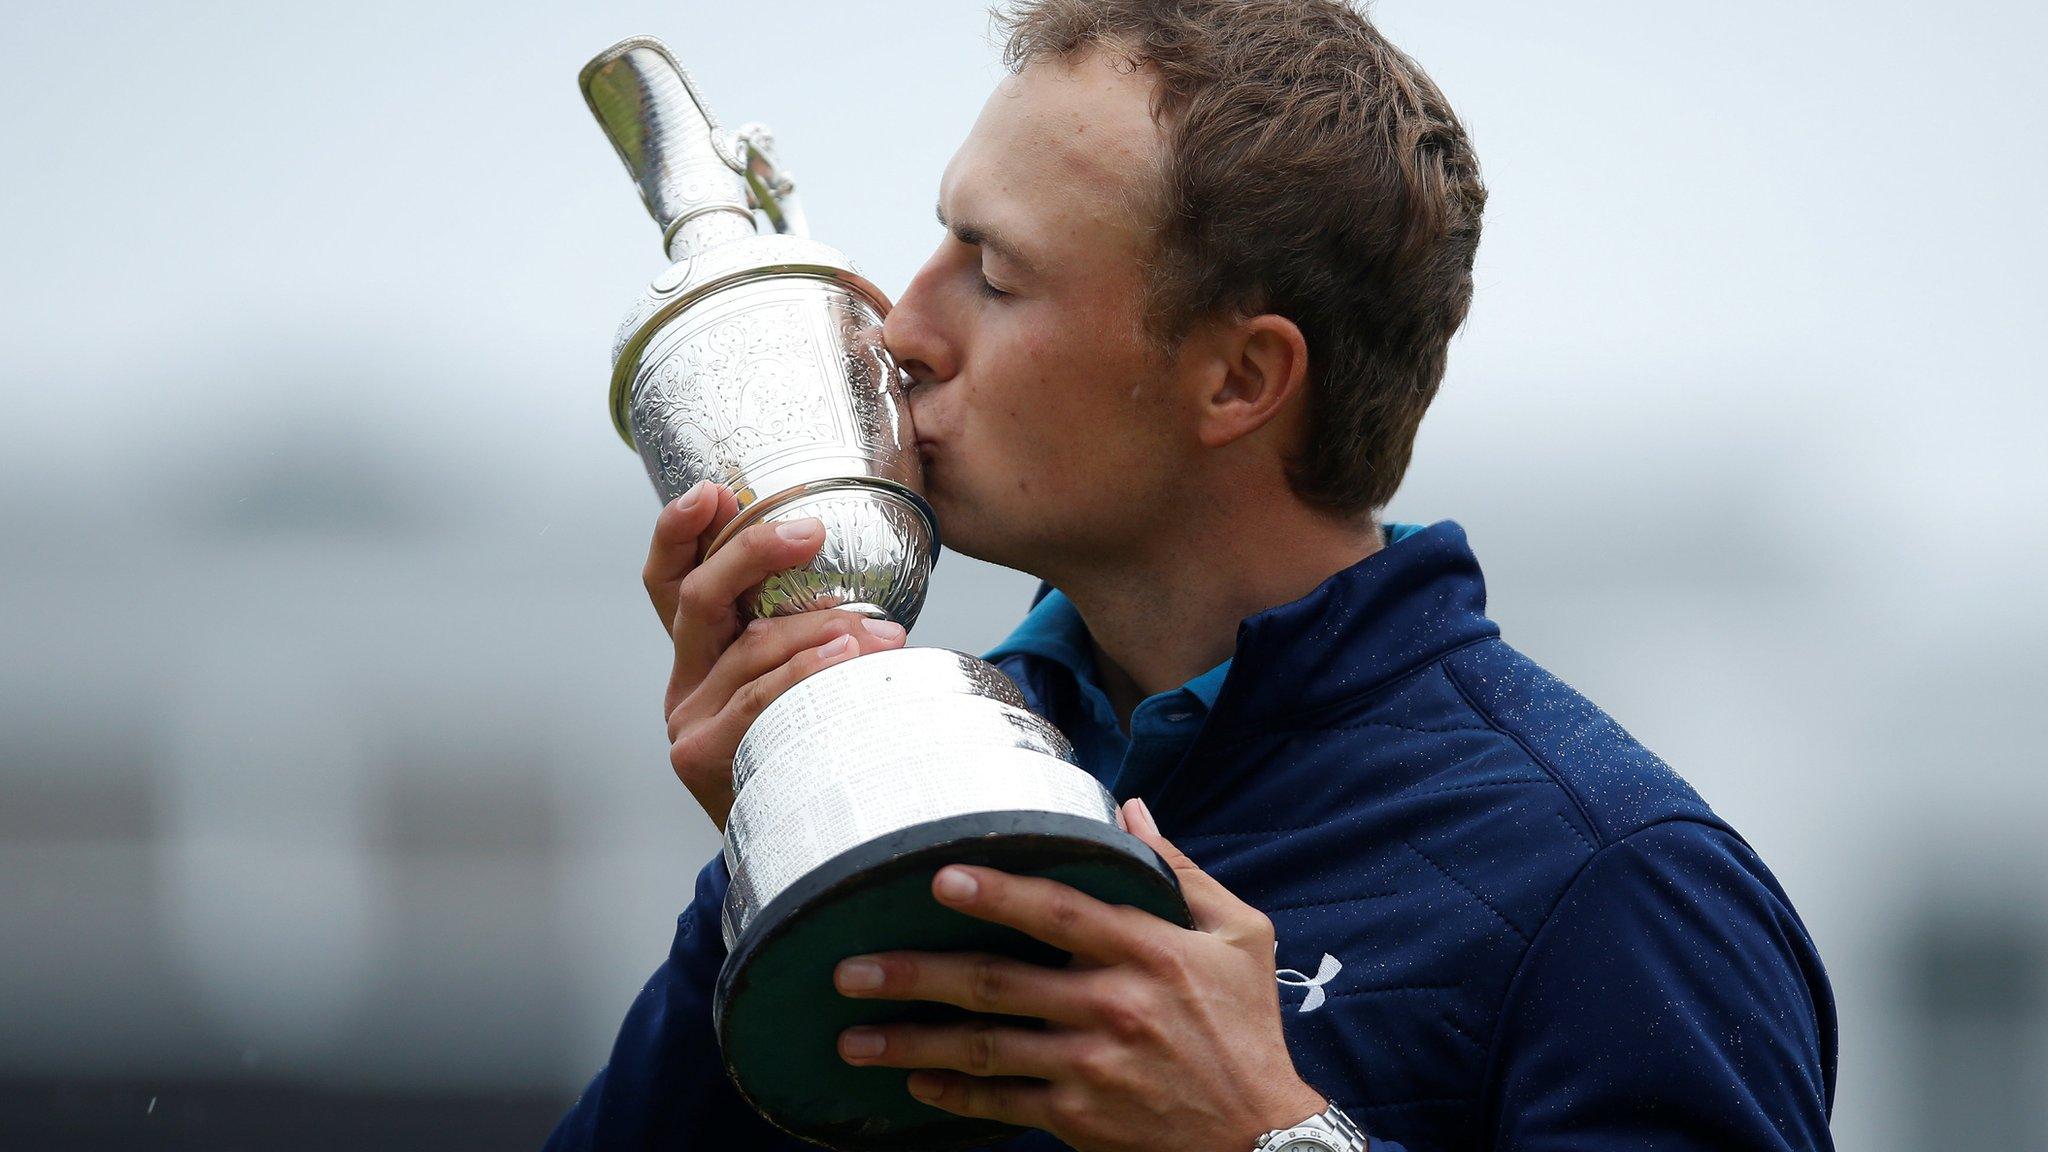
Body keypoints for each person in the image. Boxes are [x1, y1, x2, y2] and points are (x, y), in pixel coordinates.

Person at [547, 1, 1837, 1149]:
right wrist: (789, 841)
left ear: (1240, 379)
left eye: (995, 276)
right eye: (940, 242)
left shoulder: (1616, 883)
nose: (903, 328)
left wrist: (1269, 1140)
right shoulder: (922, 760)